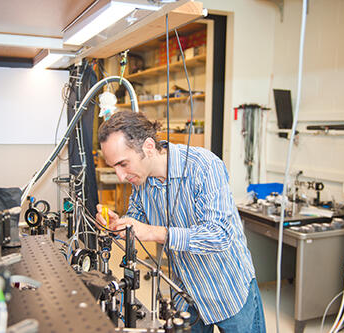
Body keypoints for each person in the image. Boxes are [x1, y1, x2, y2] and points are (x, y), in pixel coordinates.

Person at [95, 111, 265, 333]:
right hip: (186, 291)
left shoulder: (203, 166)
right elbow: (136, 219)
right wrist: (119, 224)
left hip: (229, 289)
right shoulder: (141, 181)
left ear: (147, 147)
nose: (120, 176)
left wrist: (154, 232)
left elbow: (219, 235)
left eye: (123, 164)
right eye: (114, 167)